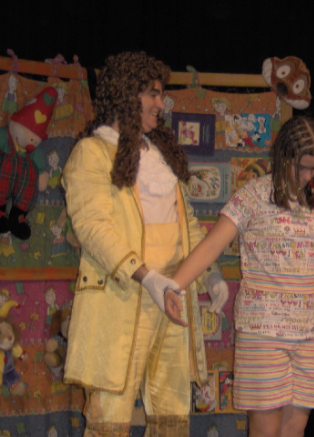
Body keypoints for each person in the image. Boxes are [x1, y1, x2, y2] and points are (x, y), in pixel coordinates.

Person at [61, 51, 228, 437]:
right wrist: (148, 278)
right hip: (121, 297)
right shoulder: (92, 152)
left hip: (173, 293)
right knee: (110, 414)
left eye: (161, 94)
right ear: (125, 93)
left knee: (172, 411)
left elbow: (186, 224)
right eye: (152, 93)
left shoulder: (161, 155)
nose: (161, 103)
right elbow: (93, 229)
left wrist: (211, 272)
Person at [171, 115, 314, 437]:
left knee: (294, 430)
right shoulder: (253, 195)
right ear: (284, 157)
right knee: (265, 431)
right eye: (301, 168)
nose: (307, 176)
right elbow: (212, 245)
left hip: (307, 334)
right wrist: (172, 287)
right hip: (263, 332)